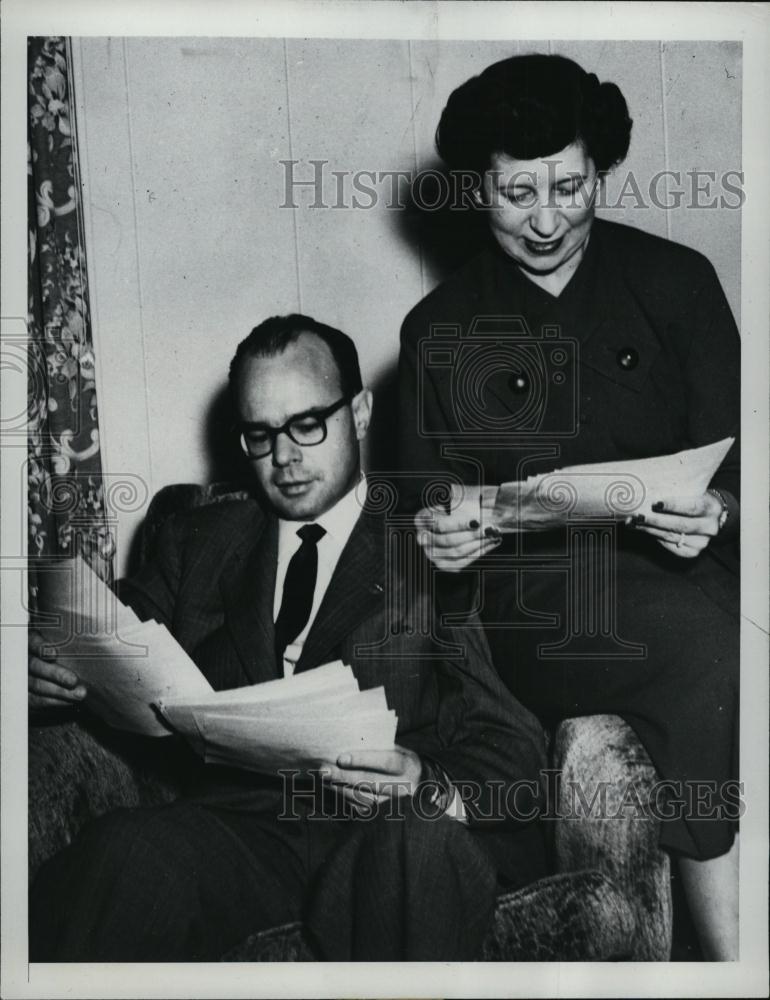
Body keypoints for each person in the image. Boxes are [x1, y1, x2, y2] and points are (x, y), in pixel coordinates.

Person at [28, 314, 548, 962]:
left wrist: (429, 782)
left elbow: (515, 741)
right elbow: (107, 633)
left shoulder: (433, 544)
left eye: (307, 424)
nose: (285, 457)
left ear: (359, 412)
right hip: (245, 834)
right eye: (260, 434)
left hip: (384, 833)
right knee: (124, 851)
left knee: (416, 843)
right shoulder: (197, 542)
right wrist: (45, 664)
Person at [397, 54, 740, 961]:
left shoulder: (678, 282)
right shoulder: (439, 328)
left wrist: (724, 513)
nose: (547, 220)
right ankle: (737, 954)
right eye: (517, 194)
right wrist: (441, 531)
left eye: (570, 186)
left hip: (698, 565)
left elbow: (747, 458)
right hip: (549, 610)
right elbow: (423, 503)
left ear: (601, 173)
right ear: (479, 189)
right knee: (716, 648)